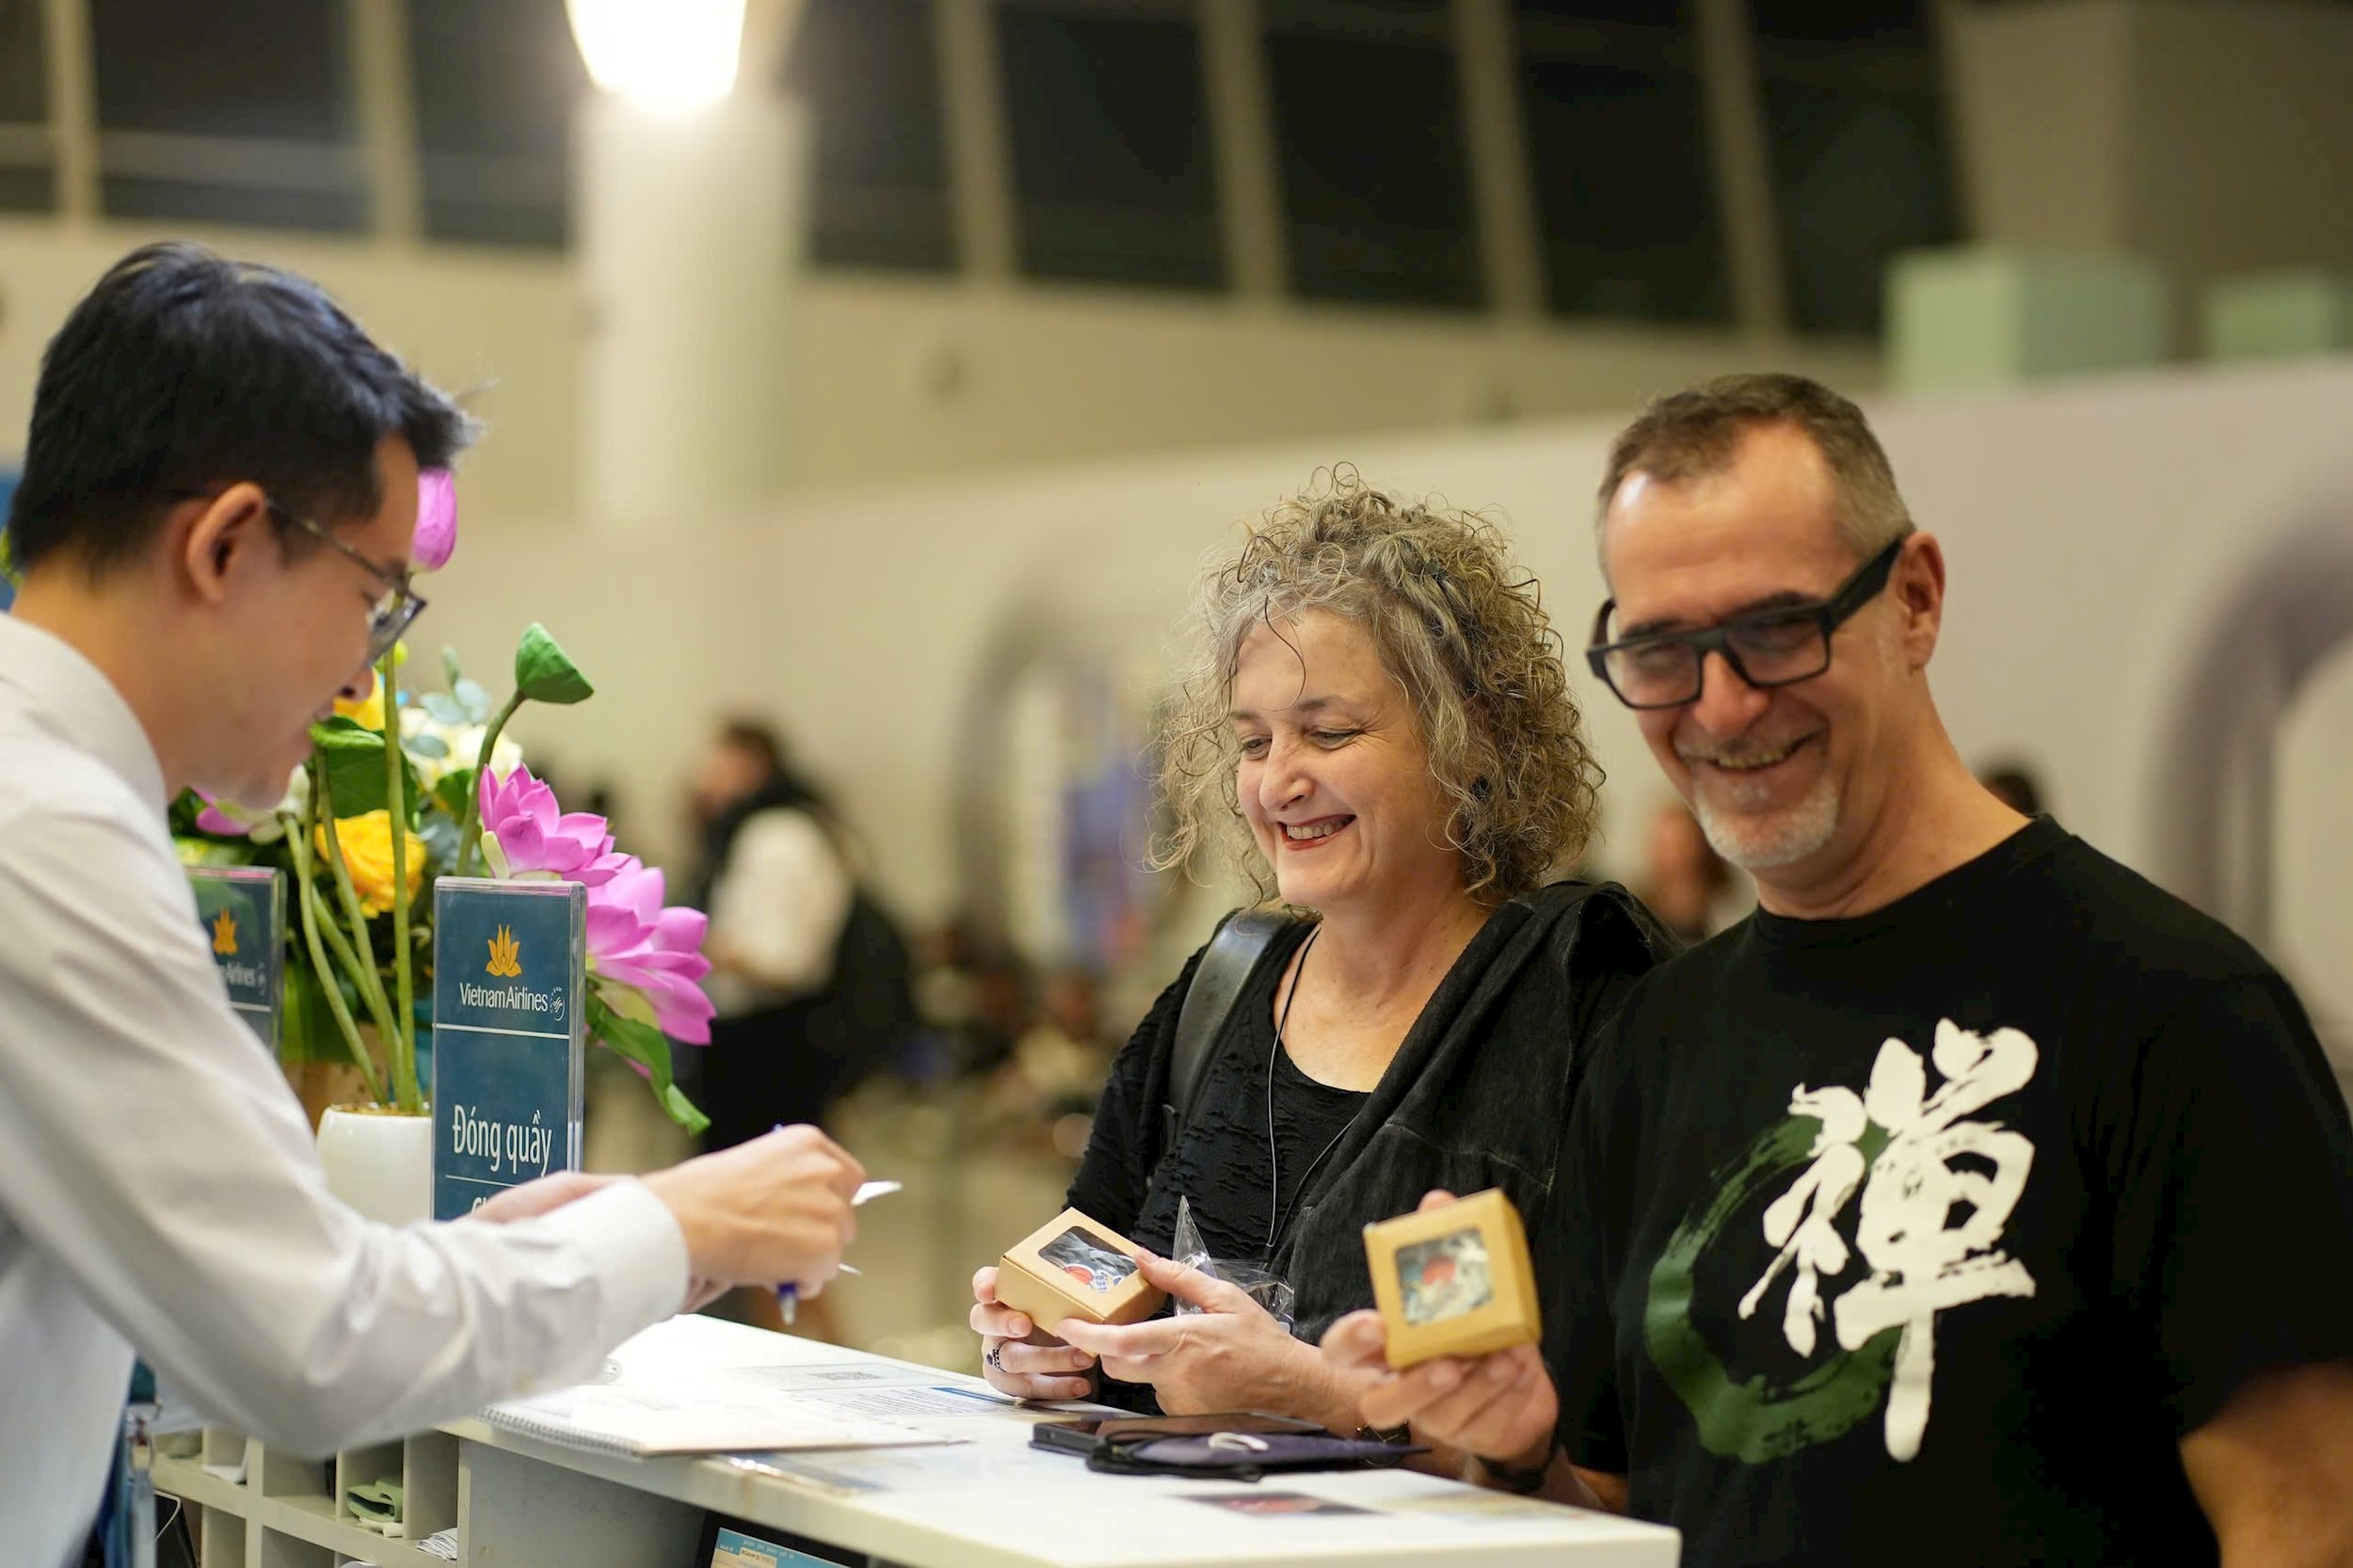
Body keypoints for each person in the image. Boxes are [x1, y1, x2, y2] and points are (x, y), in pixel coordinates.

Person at [1321, 375, 2353, 1565]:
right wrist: (1505, 1452)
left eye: (1773, 630)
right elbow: (1623, 1511)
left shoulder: (2175, 1016)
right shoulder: (1656, 1038)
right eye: (1660, 649)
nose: (1721, 703)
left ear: (1913, 599)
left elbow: (2305, 1523)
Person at [0, 243, 865, 1567]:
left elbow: (191, 1291)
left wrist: (496, 1255)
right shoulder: (48, 838)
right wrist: (676, 1221)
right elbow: (309, 1345)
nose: (365, 672)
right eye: (371, 599)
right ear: (227, 543)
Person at [969, 472, 1673, 1430]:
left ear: (1467, 740)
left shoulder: (1572, 1009)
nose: (1279, 782)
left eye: (1329, 732)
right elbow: (1085, 1268)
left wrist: (1320, 1399)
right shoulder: (1223, 987)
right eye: (1254, 743)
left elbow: (1608, 1460)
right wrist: (1039, 1343)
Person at [687, 718, 917, 1336]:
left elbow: (780, 958)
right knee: (767, 1234)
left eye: (719, 761)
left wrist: (687, 942)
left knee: (766, 1232)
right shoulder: (806, 829)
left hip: (766, 1054)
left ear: (754, 765)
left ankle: (809, 1365)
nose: (704, 776)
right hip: (779, 1050)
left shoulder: (775, 836)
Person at [1632, 795, 1737, 944]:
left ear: (1701, 848)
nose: (1672, 857)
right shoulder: (1634, 913)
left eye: (1681, 845)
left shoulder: (1730, 912)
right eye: (1664, 846)